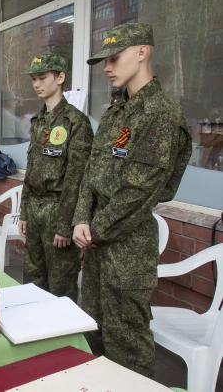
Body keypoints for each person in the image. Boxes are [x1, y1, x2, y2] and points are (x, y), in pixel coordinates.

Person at [72, 23, 192, 378]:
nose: (107, 67)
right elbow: (91, 174)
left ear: (142, 52)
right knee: (91, 332)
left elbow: (139, 193)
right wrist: (81, 218)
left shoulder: (160, 115)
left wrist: (93, 228)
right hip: (96, 242)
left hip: (127, 247)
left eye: (114, 57)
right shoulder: (116, 114)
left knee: (126, 345)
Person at [17, 52, 94, 302]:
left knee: (61, 286)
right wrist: (25, 212)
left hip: (58, 209)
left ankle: (63, 340)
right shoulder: (39, 120)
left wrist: (65, 225)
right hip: (36, 208)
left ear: (60, 78)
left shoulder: (76, 122)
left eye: (42, 78)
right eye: (34, 79)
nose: (37, 84)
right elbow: (32, 169)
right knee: (32, 279)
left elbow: (76, 179)